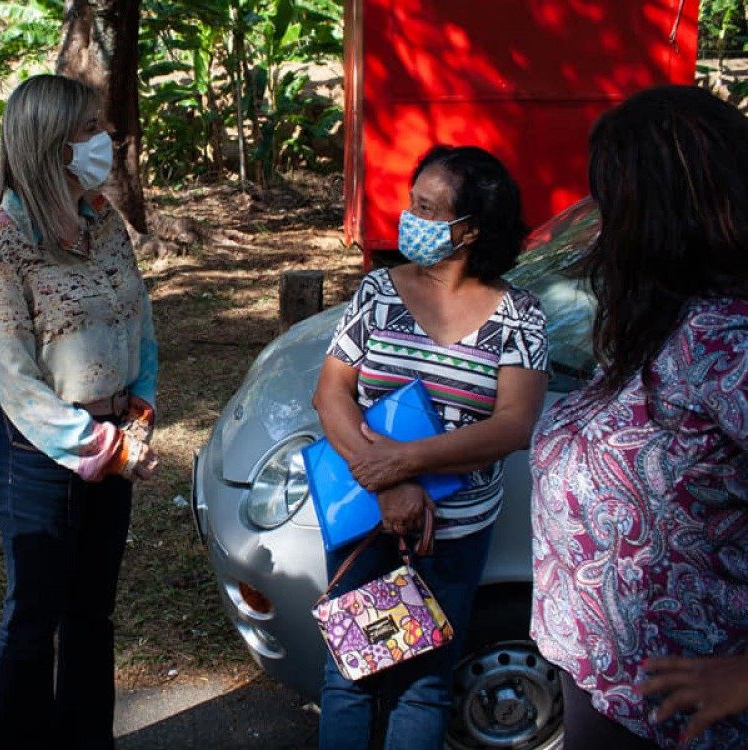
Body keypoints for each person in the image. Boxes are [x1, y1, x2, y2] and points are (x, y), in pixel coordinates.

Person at [530, 85, 748, 750]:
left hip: (684, 722)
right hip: (606, 691)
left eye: (611, 196)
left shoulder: (730, 342)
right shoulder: (668, 318)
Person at [312, 145, 550, 749]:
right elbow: (332, 393)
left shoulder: (519, 316)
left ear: (469, 229)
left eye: (426, 207)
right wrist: (388, 482)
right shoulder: (376, 293)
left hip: (452, 537)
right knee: (350, 676)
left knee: (423, 685)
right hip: (366, 521)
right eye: (411, 201)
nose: (407, 215)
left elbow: (513, 426)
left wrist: (406, 462)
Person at [0, 74, 159, 749]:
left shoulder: (102, 218)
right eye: (88, 131)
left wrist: (139, 410)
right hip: (38, 453)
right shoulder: (1, 241)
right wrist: (97, 444)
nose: (105, 139)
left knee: (91, 614)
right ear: (51, 143)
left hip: (114, 433)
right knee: (34, 615)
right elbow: (12, 379)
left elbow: (140, 318)